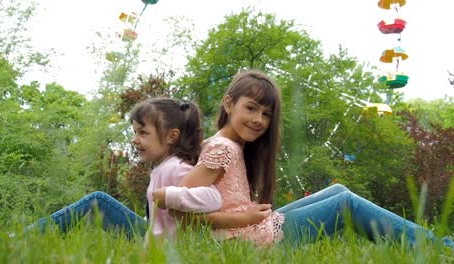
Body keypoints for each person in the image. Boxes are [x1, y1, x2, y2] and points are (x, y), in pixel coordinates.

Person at [153, 69, 453, 249]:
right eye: (252, 108)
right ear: (229, 104)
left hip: (250, 230)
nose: (259, 120)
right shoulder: (223, 148)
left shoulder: (229, 144)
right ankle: (439, 248)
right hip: (247, 241)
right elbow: (180, 210)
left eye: (266, 114)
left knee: (338, 192)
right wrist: (242, 218)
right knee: (345, 205)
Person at [22, 97, 222, 239]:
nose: (135, 140)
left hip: (162, 244)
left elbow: (214, 198)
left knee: (98, 201)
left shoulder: (176, 167)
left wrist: (172, 196)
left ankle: (26, 237)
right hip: (151, 239)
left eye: (143, 132)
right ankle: (39, 236)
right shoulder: (163, 167)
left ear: (172, 136)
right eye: (135, 132)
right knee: (95, 208)